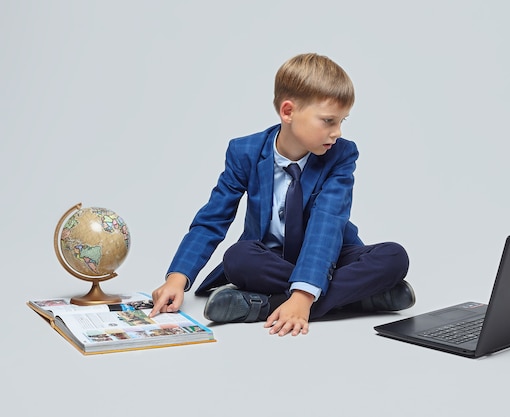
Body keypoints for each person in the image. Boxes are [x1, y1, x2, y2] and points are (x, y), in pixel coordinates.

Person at [150, 52, 415, 336]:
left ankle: (264, 305)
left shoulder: (341, 155)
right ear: (288, 112)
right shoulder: (245, 152)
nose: (337, 132)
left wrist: (302, 298)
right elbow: (213, 218)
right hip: (268, 260)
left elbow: (328, 223)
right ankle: (359, 297)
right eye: (328, 121)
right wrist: (177, 278)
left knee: (394, 257)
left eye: (342, 121)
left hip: (328, 255)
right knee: (238, 258)